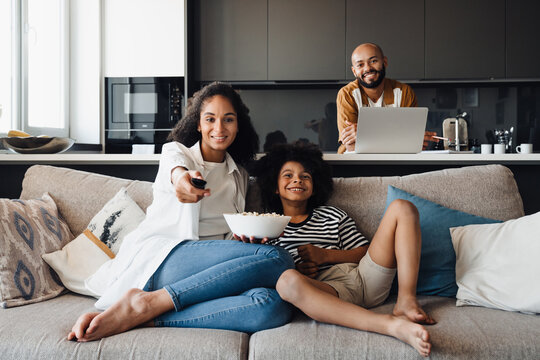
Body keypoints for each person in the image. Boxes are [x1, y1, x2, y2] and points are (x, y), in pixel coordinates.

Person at [68, 82, 295, 342]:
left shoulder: (239, 174)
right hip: (168, 257)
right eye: (210, 119)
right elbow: (177, 172)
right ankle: (153, 301)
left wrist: (245, 241)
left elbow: (228, 232)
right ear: (198, 124)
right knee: (279, 259)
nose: (219, 128)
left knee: (272, 305)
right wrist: (183, 181)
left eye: (228, 120)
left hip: (209, 269)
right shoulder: (177, 153)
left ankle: (148, 311)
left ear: (238, 125)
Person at [249, 142, 435, 357]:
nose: (297, 180)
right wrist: (299, 271)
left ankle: (406, 301)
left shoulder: (332, 215)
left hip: (365, 277)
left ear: (315, 185)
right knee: (287, 281)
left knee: (403, 207)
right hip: (327, 292)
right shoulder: (267, 227)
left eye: (305, 176)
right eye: (288, 175)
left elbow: (364, 251)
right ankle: (389, 326)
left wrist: (325, 255)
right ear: (274, 185)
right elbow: (268, 271)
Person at [337, 43, 435, 153]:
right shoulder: (346, 94)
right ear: (354, 71)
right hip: (354, 164)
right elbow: (351, 146)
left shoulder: (404, 92)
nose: (368, 68)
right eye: (360, 65)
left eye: (373, 61)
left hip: (397, 162)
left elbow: (412, 145)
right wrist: (401, 139)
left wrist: (365, 134)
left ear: (385, 62)